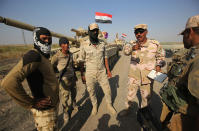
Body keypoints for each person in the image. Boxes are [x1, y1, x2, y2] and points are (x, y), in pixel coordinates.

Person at [1, 27, 59, 131]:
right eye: (44, 39)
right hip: (44, 113)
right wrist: (31, 103)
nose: (47, 42)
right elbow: (8, 82)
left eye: (49, 39)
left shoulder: (42, 56)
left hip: (51, 109)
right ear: (36, 39)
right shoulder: (34, 55)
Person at [122, 24, 165, 129]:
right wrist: (133, 48)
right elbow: (125, 51)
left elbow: (161, 56)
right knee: (130, 95)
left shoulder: (154, 44)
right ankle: (127, 109)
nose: (138, 34)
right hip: (134, 76)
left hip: (147, 77)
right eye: (136, 32)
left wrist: (159, 66)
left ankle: (143, 115)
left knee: (146, 99)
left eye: (141, 31)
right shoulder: (131, 43)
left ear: (146, 32)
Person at [160, 15, 199, 131]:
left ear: (190, 31)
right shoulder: (191, 53)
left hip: (187, 117)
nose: (183, 39)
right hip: (177, 103)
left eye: (183, 35)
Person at [78, 23, 117, 115]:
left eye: (96, 30)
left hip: (101, 71)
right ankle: (94, 106)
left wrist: (108, 70)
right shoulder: (84, 45)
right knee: (91, 91)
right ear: (89, 32)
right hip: (90, 73)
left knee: (107, 90)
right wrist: (82, 74)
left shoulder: (102, 44)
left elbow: (105, 57)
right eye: (93, 31)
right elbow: (81, 60)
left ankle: (109, 105)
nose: (95, 32)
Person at [51, 37, 82, 123]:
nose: (66, 45)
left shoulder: (71, 55)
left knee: (74, 93)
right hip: (64, 81)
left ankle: (74, 104)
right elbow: (51, 67)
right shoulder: (56, 56)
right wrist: (57, 75)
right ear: (60, 45)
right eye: (64, 44)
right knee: (65, 98)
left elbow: (72, 66)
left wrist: (75, 74)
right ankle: (65, 113)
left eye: (67, 43)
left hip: (72, 78)